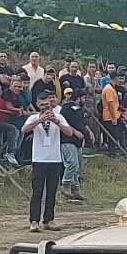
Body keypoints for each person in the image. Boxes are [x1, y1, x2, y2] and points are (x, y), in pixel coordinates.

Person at [22, 92, 76, 232]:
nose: (45, 107)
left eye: (47, 104)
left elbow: (69, 133)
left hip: (55, 159)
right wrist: (39, 121)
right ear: (38, 105)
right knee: (37, 192)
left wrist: (56, 122)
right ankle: (34, 220)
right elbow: (24, 130)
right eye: (42, 105)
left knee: (52, 192)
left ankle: (49, 219)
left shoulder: (59, 117)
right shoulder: (34, 117)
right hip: (39, 159)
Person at [59, 89, 86, 202]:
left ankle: (75, 189)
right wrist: (74, 131)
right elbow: (63, 121)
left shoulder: (80, 110)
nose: (85, 100)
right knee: (72, 163)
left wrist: (88, 132)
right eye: (83, 98)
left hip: (78, 142)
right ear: (78, 98)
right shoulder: (67, 107)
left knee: (78, 166)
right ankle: (65, 185)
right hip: (67, 139)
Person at [101, 76, 120, 156]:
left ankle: (112, 151)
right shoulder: (109, 89)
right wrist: (113, 117)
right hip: (110, 116)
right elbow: (110, 103)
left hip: (115, 114)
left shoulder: (112, 88)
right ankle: (111, 152)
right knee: (113, 135)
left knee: (115, 135)